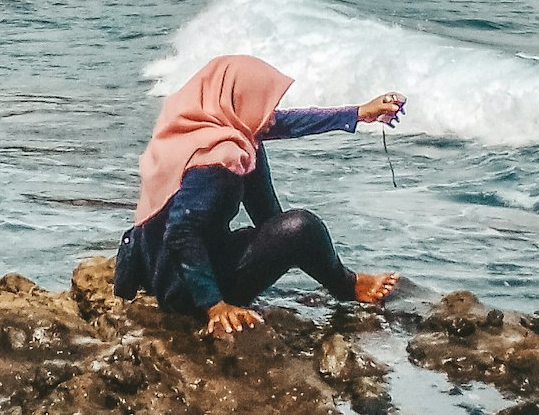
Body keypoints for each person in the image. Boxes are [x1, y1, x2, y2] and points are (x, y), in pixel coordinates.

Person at [113, 53, 404, 337]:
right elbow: (180, 232)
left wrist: (359, 113)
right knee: (301, 227)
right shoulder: (217, 158)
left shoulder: (190, 131)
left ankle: (319, 266)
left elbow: (286, 124)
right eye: (262, 104)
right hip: (183, 291)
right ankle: (348, 286)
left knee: (268, 196)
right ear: (238, 102)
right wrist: (214, 306)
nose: (269, 114)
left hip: (157, 271)